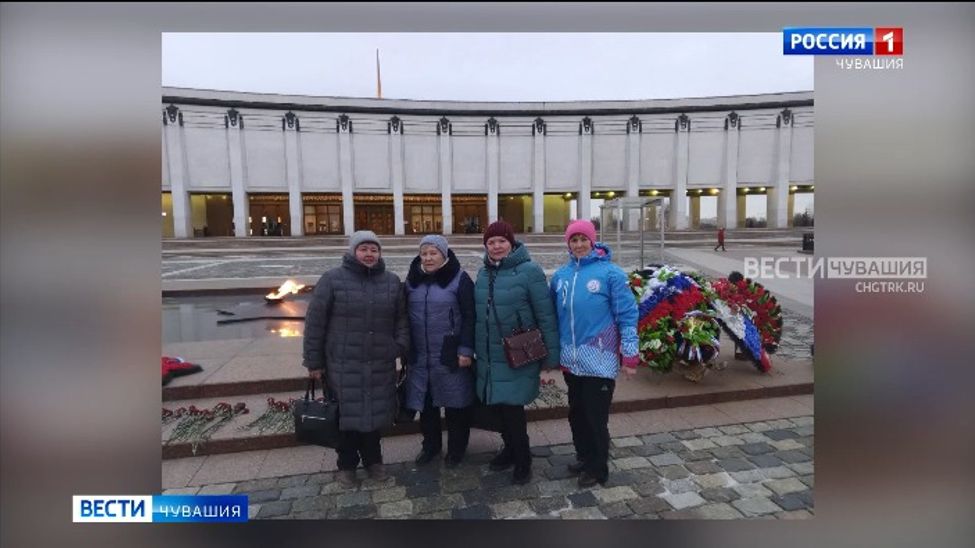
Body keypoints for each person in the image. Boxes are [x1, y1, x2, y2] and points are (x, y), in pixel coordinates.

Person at [302, 230, 410, 489]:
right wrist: (313, 362)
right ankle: (347, 466)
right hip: (342, 362)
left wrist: (398, 347)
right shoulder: (332, 279)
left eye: (374, 249)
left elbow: (402, 321)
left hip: (379, 362)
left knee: (375, 416)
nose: (369, 254)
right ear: (353, 251)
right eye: (364, 249)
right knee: (346, 417)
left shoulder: (391, 281)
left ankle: (374, 462)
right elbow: (315, 323)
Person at [550, 219, 640, 487]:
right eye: (573, 240)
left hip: (600, 359)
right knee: (576, 413)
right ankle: (584, 456)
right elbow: (555, 317)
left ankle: (598, 467)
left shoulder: (611, 274)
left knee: (595, 417)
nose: (578, 245)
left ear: (593, 240)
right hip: (571, 360)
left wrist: (630, 354)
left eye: (583, 239)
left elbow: (627, 314)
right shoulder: (561, 276)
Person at [473, 220, 560, 485]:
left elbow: (545, 314)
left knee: (513, 410)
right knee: (498, 409)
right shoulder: (483, 272)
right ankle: (509, 450)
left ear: (511, 243)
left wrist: (550, 358)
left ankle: (523, 459)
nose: (496, 246)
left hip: (518, 353)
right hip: (489, 355)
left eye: (501, 241)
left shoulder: (529, 270)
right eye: (491, 242)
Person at [404, 235, 476, 468]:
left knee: (455, 406)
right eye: (424, 253)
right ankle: (431, 447)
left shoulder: (459, 279)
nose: (428, 258)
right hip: (420, 354)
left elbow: (470, 317)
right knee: (427, 407)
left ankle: (456, 450)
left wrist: (466, 349)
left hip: (450, 352)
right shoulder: (412, 280)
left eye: (433, 253)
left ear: (444, 255)